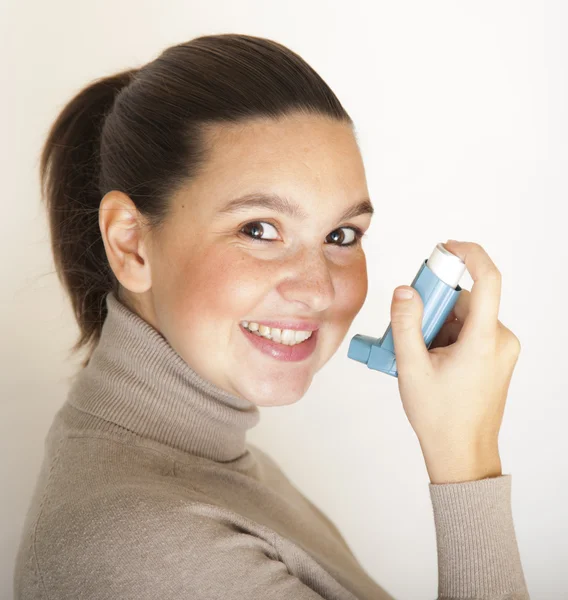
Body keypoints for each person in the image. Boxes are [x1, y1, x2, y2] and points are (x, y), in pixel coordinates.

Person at [13, 33, 529, 599]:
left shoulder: (209, 464)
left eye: (341, 235)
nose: (316, 290)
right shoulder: (147, 548)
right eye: (258, 229)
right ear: (131, 244)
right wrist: (468, 464)